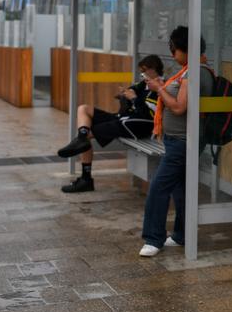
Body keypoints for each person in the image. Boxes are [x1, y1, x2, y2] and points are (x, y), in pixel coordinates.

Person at [139, 26, 214, 257]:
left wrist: (159, 88)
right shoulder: (188, 70)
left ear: (185, 49)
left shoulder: (195, 72)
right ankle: (181, 234)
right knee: (180, 189)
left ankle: (153, 238)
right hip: (177, 141)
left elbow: (180, 107)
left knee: (158, 187)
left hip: (183, 143)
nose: (172, 54)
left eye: (174, 49)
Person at [57, 55, 164, 193]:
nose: (142, 75)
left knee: (88, 135)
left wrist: (135, 98)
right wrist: (125, 94)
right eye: (141, 71)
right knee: (84, 109)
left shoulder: (159, 87)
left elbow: (150, 116)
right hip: (124, 118)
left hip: (136, 125)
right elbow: (132, 92)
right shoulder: (144, 84)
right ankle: (82, 137)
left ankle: (86, 179)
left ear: (154, 69)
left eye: (145, 71)